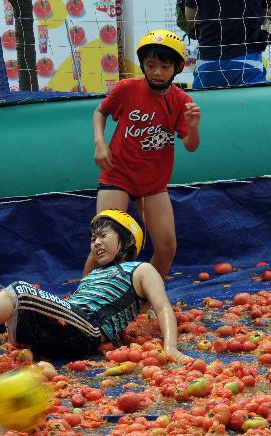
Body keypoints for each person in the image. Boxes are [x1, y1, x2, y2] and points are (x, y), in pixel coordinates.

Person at [0, 210, 191, 364]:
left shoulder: (141, 270)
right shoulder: (93, 274)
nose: (95, 243)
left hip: (88, 330)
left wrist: (170, 347)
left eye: (103, 236)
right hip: (60, 327)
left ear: (128, 242)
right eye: (92, 238)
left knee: (21, 290)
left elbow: (162, 306)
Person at [89, 31, 201, 279]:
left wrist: (192, 126)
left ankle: (142, 300)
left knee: (166, 247)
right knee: (106, 243)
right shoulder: (127, 89)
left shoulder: (181, 102)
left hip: (152, 184)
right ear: (142, 65)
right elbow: (100, 112)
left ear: (177, 68)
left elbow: (191, 146)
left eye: (164, 66)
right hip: (117, 175)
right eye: (151, 65)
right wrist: (100, 143)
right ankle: (81, 302)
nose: (157, 72)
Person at [184, 0, 271, 87]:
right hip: (247, 57)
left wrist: (211, 16)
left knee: (205, 104)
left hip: (210, 57)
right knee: (253, 104)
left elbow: (191, 16)